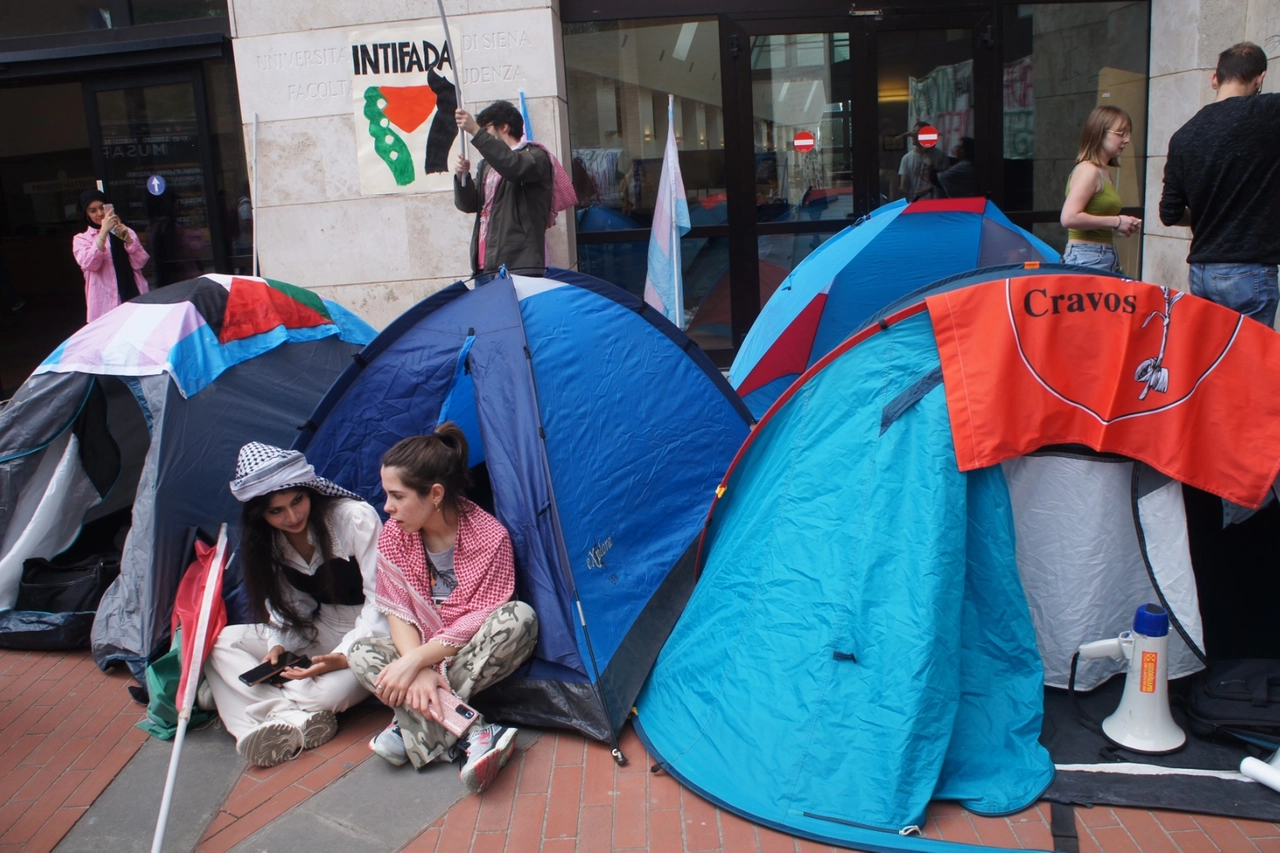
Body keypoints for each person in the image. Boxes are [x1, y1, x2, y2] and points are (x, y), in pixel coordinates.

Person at [348, 423, 538, 795]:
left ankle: (413, 725)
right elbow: (399, 613)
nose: (387, 507)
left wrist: (416, 663)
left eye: (396, 496)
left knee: (519, 619)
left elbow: (482, 616)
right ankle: (475, 732)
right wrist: (414, 666)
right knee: (361, 652)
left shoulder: (490, 537)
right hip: (421, 647)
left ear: (434, 494)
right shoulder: (394, 534)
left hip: (466, 648)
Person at [203, 443, 386, 767]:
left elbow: (382, 600)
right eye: (276, 511)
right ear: (261, 515)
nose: (292, 516)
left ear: (309, 491)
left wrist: (341, 658)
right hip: (321, 626)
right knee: (220, 643)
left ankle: (255, 713)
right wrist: (277, 644)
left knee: (318, 694)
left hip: (372, 636)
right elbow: (291, 607)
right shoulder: (270, 542)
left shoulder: (353, 518)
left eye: (297, 501)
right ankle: (294, 720)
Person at [1160, 41, 1280, 327]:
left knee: (1213, 362)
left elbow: (1170, 213)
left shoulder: (1183, 136)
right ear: (1260, 78)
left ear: (1215, 78)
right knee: (1250, 366)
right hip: (1249, 272)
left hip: (1201, 272)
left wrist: (1208, 213)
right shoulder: (1269, 113)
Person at [453, 101, 576, 277]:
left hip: (518, 263)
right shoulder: (487, 165)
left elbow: (513, 167)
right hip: (485, 264)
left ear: (504, 127)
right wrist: (461, 177)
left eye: (485, 129)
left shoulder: (535, 156)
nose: (482, 135)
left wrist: (475, 131)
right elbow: (469, 204)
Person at [1060, 106, 1141, 273]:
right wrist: (1117, 221)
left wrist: (1121, 226)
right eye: (1120, 134)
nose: (1127, 140)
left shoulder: (1101, 171)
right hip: (1088, 258)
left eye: (1128, 133)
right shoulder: (1089, 171)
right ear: (1100, 132)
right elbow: (1068, 218)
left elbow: (1094, 223)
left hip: (1098, 257)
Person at [73, 189, 149, 323]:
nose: (100, 213)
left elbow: (141, 262)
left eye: (102, 208)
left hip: (133, 295)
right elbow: (91, 264)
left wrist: (128, 239)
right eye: (93, 210)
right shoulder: (82, 239)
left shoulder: (123, 230)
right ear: (86, 214)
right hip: (104, 304)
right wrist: (103, 232)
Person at [897, 121, 947, 202]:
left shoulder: (940, 155)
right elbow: (904, 187)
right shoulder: (906, 158)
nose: (913, 135)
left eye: (917, 133)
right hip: (915, 203)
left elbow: (944, 181)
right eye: (913, 132)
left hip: (936, 202)